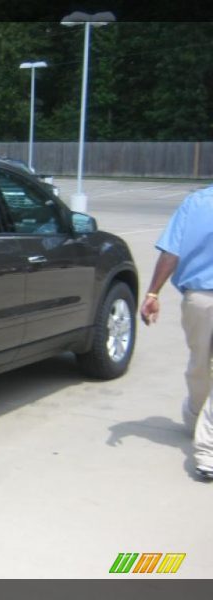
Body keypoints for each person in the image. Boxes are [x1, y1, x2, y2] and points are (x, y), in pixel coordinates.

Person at [140, 184, 213, 480]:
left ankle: (206, 446)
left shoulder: (197, 202)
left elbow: (172, 250)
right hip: (200, 296)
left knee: (199, 365)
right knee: (200, 366)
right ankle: (201, 427)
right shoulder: (195, 201)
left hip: (198, 300)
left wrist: (153, 293)